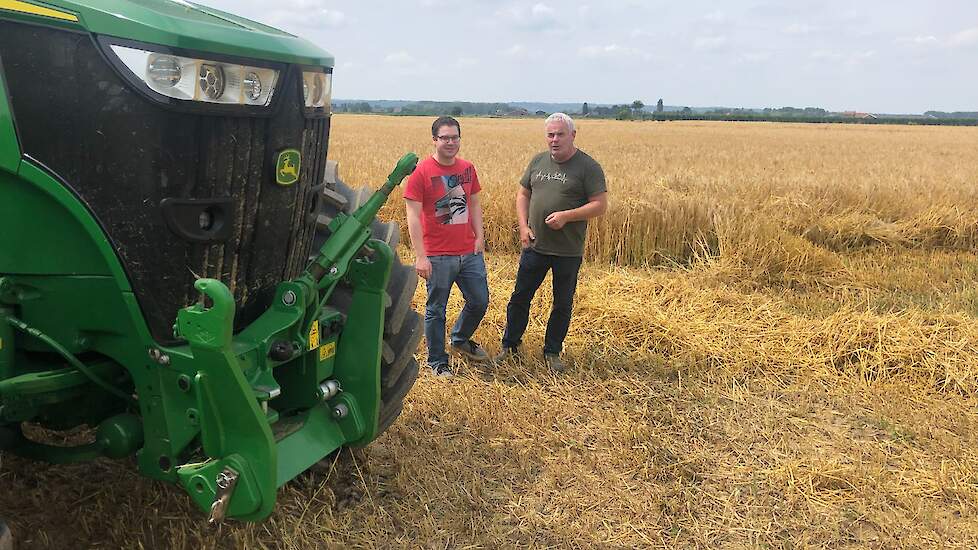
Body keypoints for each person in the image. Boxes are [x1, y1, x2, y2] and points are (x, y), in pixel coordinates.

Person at [496, 113, 608, 372]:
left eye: (559, 134)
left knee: (562, 303)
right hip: (535, 246)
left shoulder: (588, 167)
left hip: (567, 250)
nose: (554, 139)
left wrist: (567, 217)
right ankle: (509, 346)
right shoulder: (538, 161)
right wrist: (523, 226)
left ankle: (552, 352)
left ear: (573, 135)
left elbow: (600, 205)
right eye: (550, 134)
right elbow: (523, 193)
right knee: (520, 298)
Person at [404, 116, 490, 377]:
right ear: (434, 140)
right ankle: (437, 361)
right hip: (438, 255)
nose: (450, 142)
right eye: (445, 138)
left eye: (455, 137)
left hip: (468, 251)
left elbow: (474, 203)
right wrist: (421, 256)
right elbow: (413, 216)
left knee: (479, 301)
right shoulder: (422, 172)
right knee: (436, 310)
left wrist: (479, 236)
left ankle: (460, 339)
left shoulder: (467, 169)